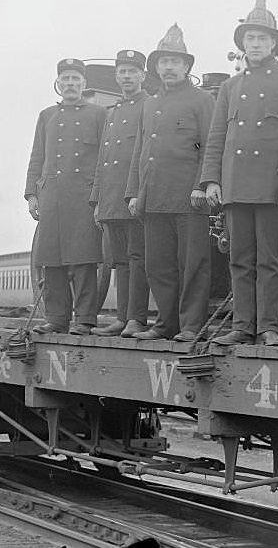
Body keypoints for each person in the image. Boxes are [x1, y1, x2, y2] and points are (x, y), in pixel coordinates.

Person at [200, 0, 278, 346]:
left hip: (271, 185)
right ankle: (242, 326)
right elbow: (217, 137)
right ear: (242, 44)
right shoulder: (231, 88)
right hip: (235, 185)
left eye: (263, 38)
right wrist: (211, 179)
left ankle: (269, 327)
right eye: (250, 38)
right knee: (240, 260)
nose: (256, 44)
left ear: (275, 43)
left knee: (271, 261)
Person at [125, 24, 214, 341]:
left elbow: (209, 145)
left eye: (176, 62)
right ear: (156, 67)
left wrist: (202, 184)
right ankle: (166, 323)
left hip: (189, 199)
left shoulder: (201, 100)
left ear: (187, 66)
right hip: (155, 198)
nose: (169, 67)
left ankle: (191, 325)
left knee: (193, 265)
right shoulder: (149, 105)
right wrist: (134, 193)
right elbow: (141, 151)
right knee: (158, 266)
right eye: (163, 62)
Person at [25, 58, 108, 335]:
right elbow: (37, 157)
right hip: (52, 199)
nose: (70, 85)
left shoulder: (98, 115)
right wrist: (32, 195)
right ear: (58, 84)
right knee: (51, 260)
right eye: (66, 80)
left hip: (83, 198)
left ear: (84, 85)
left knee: (84, 260)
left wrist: (98, 197)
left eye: (76, 80)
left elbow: (103, 160)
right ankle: (56, 319)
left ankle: (85, 319)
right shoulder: (46, 115)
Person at [90, 50, 152, 337]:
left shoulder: (149, 106)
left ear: (142, 76)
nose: (127, 77)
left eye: (132, 72)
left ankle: (136, 319)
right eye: (122, 72)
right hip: (112, 199)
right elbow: (104, 158)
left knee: (138, 257)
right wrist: (98, 199)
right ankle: (122, 317)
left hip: (134, 196)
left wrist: (138, 194)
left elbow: (147, 157)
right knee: (120, 261)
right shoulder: (111, 113)